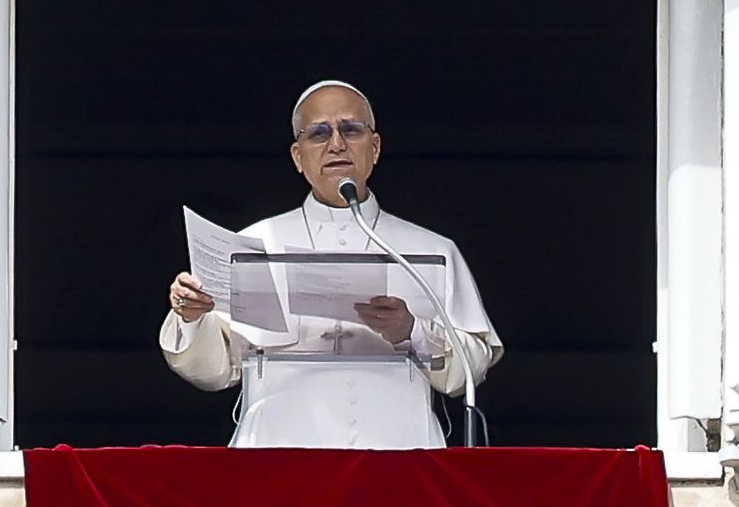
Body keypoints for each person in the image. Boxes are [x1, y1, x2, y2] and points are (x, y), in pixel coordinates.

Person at [160, 80, 503, 448]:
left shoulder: (429, 249)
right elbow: (212, 372)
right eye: (319, 133)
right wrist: (191, 316)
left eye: (351, 129)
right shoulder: (254, 245)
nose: (336, 144)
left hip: (402, 453)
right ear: (297, 156)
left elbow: (473, 368)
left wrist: (412, 330)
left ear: (375, 148)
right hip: (278, 456)